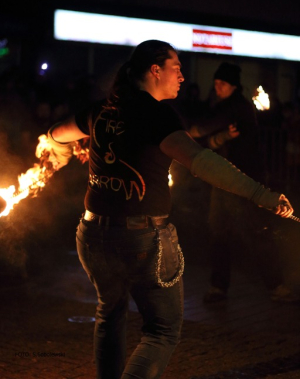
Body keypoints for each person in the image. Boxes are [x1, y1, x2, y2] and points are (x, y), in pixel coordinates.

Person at [46, 41, 293, 379]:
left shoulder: (102, 109)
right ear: (155, 70)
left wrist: (63, 151)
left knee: (110, 314)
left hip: (92, 235)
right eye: (176, 67)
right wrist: (261, 195)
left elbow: (55, 134)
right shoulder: (155, 115)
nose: (182, 76)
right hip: (141, 240)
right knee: (162, 330)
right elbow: (201, 162)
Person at [189, 62, 297, 304]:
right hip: (223, 179)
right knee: (219, 232)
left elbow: (202, 129)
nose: (217, 87)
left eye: (222, 84)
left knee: (258, 231)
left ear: (233, 86)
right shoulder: (223, 105)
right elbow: (211, 139)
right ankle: (219, 287)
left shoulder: (236, 106)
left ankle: (276, 284)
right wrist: (218, 138)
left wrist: (186, 134)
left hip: (247, 180)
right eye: (216, 83)